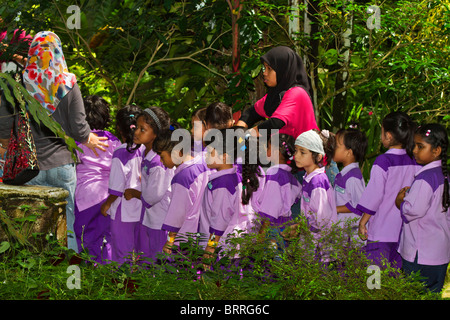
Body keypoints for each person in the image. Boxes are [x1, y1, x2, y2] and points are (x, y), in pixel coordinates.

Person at [24, 31, 108, 252]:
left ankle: (33, 272)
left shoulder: (21, 85)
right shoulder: (68, 83)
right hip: (62, 164)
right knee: (67, 220)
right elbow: (80, 129)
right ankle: (69, 272)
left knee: (32, 222)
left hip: (31, 167)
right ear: (58, 52)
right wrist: (88, 138)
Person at [356, 111, 420, 268]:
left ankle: (373, 292)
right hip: (404, 233)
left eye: (382, 132)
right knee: (395, 280)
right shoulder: (415, 160)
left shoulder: (383, 161)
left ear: (389, 136)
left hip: (381, 231)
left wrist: (363, 222)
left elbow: (375, 195)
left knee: (375, 278)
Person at [395, 123, 450, 293]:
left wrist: (400, 201)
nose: (414, 151)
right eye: (414, 146)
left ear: (437, 150)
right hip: (440, 253)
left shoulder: (424, 178)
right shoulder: (444, 175)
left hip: (420, 255)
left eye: (420, 146)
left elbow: (413, 211)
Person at [199, 127, 264, 263]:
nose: (206, 154)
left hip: (221, 250)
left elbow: (219, 221)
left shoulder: (224, 183)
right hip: (224, 247)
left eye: (210, 151)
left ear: (224, 156)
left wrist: (210, 249)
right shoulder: (226, 178)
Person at [73, 95, 121, 263]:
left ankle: (83, 276)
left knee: (83, 238)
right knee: (105, 239)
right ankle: (104, 275)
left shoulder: (78, 140)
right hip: (109, 195)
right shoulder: (114, 140)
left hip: (85, 195)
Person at [236, 46, 318, 141]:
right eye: (264, 68)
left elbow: (275, 123)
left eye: (269, 68)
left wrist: (247, 134)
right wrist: (238, 131)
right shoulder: (276, 94)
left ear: (283, 69)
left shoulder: (297, 93)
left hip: (304, 153)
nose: (265, 73)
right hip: (283, 152)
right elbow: (251, 113)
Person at [152, 126, 209, 255]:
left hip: (185, 238)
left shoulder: (182, 177)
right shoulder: (202, 162)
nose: (161, 161)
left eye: (162, 156)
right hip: (204, 232)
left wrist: (170, 241)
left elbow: (177, 215)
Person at [128, 107, 174, 263]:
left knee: (158, 261)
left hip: (160, 221)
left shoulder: (158, 162)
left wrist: (134, 193)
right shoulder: (147, 155)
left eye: (143, 130)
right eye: (137, 128)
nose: (137, 132)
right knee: (146, 259)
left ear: (155, 134)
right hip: (149, 219)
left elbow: (151, 196)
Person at [100, 105, 143, 264]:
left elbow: (117, 188)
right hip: (141, 210)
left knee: (122, 255)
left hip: (122, 210)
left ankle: (122, 284)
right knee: (139, 253)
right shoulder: (146, 149)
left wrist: (106, 204)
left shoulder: (120, 151)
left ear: (119, 128)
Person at [284, 130, 338, 255]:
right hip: (312, 244)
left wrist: (301, 227)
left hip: (320, 249)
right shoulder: (309, 179)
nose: (296, 156)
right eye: (296, 150)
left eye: (302, 152)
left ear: (318, 157)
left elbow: (322, 220)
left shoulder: (317, 182)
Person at [257, 133, 301, 254]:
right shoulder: (290, 175)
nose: (266, 150)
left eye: (269, 147)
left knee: (268, 265)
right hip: (286, 225)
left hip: (272, 228)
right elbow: (297, 195)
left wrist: (261, 234)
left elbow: (271, 208)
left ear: (276, 151)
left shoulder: (274, 173)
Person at [333, 126, 368, 242]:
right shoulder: (343, 174)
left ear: (349, 152)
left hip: (351, 238)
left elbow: (359, 205)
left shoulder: (353, 177)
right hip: (342, 232)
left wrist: (334, 209)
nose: (333, 148)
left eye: (337, 146)